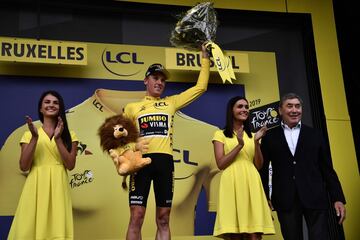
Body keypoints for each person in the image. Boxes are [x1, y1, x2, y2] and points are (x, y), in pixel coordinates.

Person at [123, 43, 210, 240]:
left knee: (163, 218)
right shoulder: (131, 107)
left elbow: (200, 87)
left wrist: (205, 58)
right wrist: (131, 147)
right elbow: (121, 137)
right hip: (140, 163)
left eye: (163, 80)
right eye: (155, 78)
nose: (160, 82)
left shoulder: (171, 102)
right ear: (146, 80)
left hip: (164, 162)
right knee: (136, 216)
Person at [260, 92, 346, 240]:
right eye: (290, 106)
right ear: (280, 110)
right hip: (285, 199)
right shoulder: (269, 136)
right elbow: (262, 170)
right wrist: (264, 197)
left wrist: (338, 198)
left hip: (315, 197)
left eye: (298, 106)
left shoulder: (315, 134)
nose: (294, 110)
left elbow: (327, 169)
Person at [7, 90, 78, 240]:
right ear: (40, 108)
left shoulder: (70, 134)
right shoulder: (28, 134)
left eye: (55, 102)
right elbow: (24, 166)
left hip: (59, 186)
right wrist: (34, 138)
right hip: (35, 185)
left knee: (57, 229)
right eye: (47, 102)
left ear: (60, 107)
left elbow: (70, 165)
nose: (51, 105)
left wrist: (58, 139)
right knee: (29, 229)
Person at [212, 96, 275, 240]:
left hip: (252, 182)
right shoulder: (219, 134)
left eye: (246, 107)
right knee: (235, 233)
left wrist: (257, 142)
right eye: (240, 106)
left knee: (255, 233)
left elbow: (258, 165)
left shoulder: (253, 135)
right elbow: (221, 164)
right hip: (231, 182)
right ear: (231, 110)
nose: (244, 110)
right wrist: (239, 145)